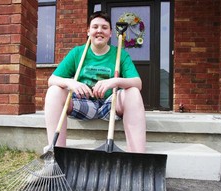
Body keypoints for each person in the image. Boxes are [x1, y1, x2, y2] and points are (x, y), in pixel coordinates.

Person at [44, 11, 146, 153]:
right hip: (85, 104)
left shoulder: (120, 54)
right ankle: (56, 153)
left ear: (111, 33)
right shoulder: (77, 53)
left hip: (110, 105)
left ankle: (137, 157)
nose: (99, 31)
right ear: (88, 31)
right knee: (54, 90)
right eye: (95, 27)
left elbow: (137, 83)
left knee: (133, 92)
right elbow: (52, 80)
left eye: (104, 28)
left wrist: (114, 81)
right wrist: (71, 83)